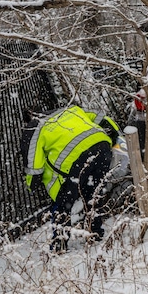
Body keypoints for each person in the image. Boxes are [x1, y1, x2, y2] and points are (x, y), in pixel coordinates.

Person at [24, 106, 121, 249]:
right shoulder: (71, 110)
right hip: (102, 147)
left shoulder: (35, 126)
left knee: (63, 204)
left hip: (75, 160)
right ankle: (95, 232)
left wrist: (32, 184)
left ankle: (59, 245)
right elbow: (102, 118)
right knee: (93, 194)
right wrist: (114, 137)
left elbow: (33, 163)